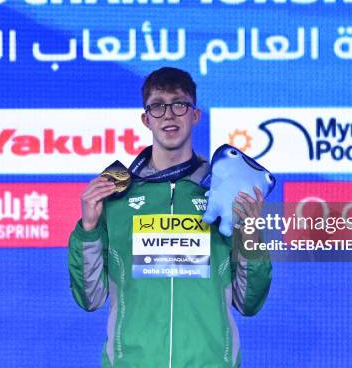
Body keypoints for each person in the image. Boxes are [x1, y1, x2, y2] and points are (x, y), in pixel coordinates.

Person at [68, 67, 272, 368]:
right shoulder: (115, 196)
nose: (169, 114)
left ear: (195, 115)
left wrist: (251, 236)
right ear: (146, 118)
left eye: (180, 104)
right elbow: (90, 298)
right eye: (158, 105)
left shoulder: (223, 193)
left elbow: (248, 302)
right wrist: (88, 228)